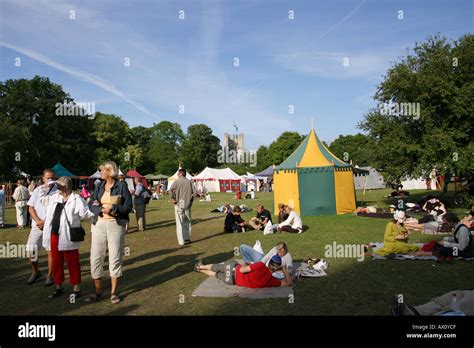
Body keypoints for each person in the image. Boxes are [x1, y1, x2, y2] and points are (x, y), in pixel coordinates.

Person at [38, 176, 94, 299]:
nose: (57, 187)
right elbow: (41, 198)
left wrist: (96, 211)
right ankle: (58, 286)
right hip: (54, 234)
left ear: (67, 186)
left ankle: (76, 288)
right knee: (56, 262)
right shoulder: (55, 197)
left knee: (72, 262)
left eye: (59, 185)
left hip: (68, 235)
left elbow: (85, 213)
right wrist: (45, 186)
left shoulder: (76, 199)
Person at [86, 161, 132, 304]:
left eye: (102, 170)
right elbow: (91, 203)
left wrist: (113, 210)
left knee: (115, 258)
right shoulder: (99, 186)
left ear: (109, 171)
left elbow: (128, 206)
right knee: (96, 257)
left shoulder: (121, 185)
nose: (100, 172)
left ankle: (113, 292)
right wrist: (99, 210)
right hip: (98, 224)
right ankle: (98, 291)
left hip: (115, 225)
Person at [26, 169, 57, 286]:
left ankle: (50, 275)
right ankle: (36, 271)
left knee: (50, 252)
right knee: (31, 249)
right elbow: (30, 208)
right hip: (37, 226)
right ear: (43, 178)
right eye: (48, 178)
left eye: (52, 177)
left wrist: (47, 221)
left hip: (51, 225)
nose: (51, 180)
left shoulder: (58, 191)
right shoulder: (37, 190)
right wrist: (38, 221)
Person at [195, 254, 292, 288]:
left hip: (234, 269)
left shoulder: (260, 265)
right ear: (277, 268)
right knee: (216, 274)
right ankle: (199, 270)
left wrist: (247, 264)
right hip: (232, 281)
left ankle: (200, 266)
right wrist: (284, 269)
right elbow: (288, 283)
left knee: (216, 267)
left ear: (269, 262)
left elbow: (242, 270)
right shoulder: (271, 281)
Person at [169, 168, 196, 246]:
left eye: (178, 173)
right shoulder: (189, 182)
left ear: (180, 174)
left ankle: (181, 241)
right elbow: (195, 193)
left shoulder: (177, 181)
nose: (177, 174)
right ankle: (187, 238)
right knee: (187, 222)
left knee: (179, 223)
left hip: (180, 202)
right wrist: (191, 200)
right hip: (187, 203)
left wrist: (173, 199)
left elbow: (170, 190)